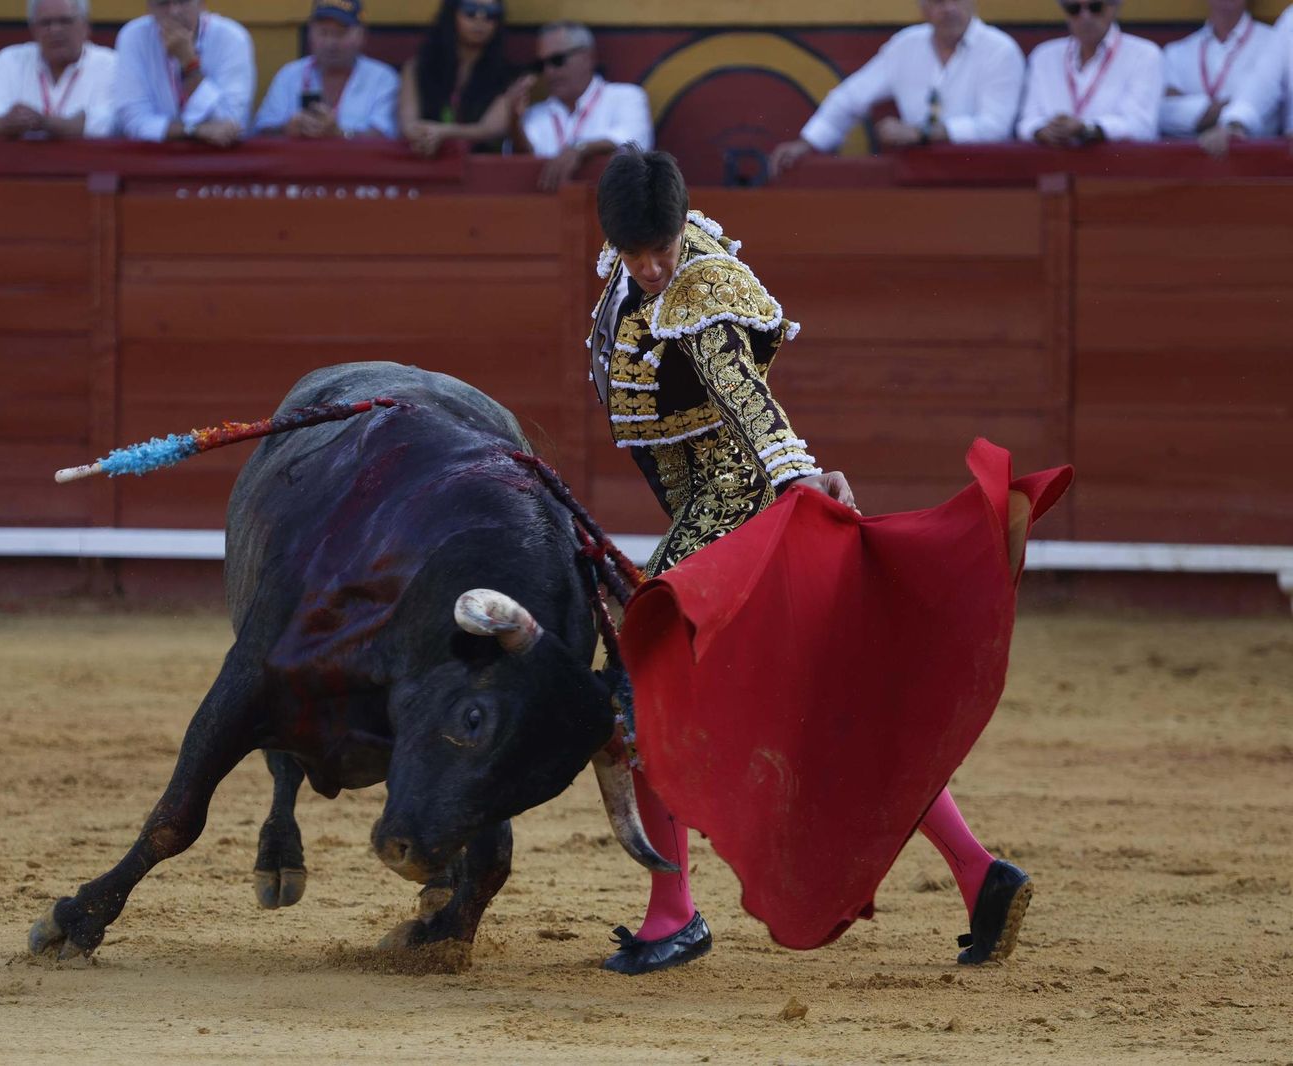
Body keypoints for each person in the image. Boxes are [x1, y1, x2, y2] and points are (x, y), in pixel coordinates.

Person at [588, 146, 1033, 975]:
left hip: (734, 508)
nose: (651, 267)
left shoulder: (700, 290)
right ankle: (980, 872)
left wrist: (799, 479)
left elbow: (748, 403)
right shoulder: (631, 267)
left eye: (662, 247)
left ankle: (673, 912)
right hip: (716, 508)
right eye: (634, 250)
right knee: (817, 709)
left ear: (683, 228)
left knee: (639, 687)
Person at [770, 0, 1024, 175]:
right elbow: (851, 96)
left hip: (981, 179)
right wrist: (807, 143)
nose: (949, 9)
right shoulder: (906, 45)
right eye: (938, 1)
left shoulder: (1000, 50)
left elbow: (995, 127)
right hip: (917, 174)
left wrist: (919, 133)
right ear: (923, 8)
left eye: (956, 0)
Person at [510, 21, 652, 191]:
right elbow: (523, 161)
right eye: (542, 65)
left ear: (587, 57)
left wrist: (579, 150)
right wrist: (513, 119)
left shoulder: (626, 97)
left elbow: (633, 141)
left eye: (557, 60)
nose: (549, 72)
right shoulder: (535, 114)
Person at [1017, 0, 1163, 146]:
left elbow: (1140, 126)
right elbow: (1027, 122)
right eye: (1074, 9)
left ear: (1115, 7)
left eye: (1095, 7)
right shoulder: (1044, 56)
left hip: (1116, 165)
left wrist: (1087, 128)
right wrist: (1042, 130)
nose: (1085, 17)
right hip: (1055, 163)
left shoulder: (1144, 54)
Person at [112, 0, 253, 146]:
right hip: (155, 159)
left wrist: (189, 63)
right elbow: (134, 122)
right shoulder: (133, 37)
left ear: (202, 4)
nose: (174, 11)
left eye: (183, 2)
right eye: (163, 3)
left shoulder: (232, 38)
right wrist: (194, 130)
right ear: (149, 8)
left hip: (216, 159)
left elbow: (231, 123)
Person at [0, 0, 117, 139]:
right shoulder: (10, 60)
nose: (55, 30)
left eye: (65, 21)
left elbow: (109, 124)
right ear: (33, 29)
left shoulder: (110, 64)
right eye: (45, 23)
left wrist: (45, 124)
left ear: (86, 26)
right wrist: (6, 123)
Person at [253, 0, 398, 140]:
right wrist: (286, 129)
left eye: (340, 33)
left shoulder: (382, 78)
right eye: (323, 32)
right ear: (310, 33)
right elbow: (261, 131)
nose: (331, 43)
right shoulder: (289, 74)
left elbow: (384, 137)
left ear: (361, 35)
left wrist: (340, 134)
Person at [1162, 0, 1284, 157]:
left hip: (1256, 164)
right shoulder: (1177, 52)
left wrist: (1196, 112)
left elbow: (1272, 108)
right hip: (1188, 169)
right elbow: (1162, 112)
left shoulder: (1275, 42)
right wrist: (1230, 107)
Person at [397, 0, 516, 156]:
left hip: (481, 169)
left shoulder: (508, 75)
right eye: (470, 10)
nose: (480, 19)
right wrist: (425, 135)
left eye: (491, 13)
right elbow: (408, 124)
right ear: (452, 13)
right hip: (424, 164)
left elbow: (492, 128)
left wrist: (443, 133)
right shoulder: (416, 67)